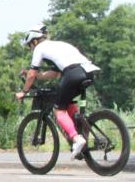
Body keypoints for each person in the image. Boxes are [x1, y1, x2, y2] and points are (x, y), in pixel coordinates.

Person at [15, 27, 100, 160]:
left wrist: (24, 92)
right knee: (68, 105)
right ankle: (82, 132)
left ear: (34, 42)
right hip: (87, 71)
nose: (31, 49)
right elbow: (54, 74)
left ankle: (76, 138)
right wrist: (36, 76)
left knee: (58, 111)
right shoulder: (59, 45)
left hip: (72, 73)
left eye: (30, 46)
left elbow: (31, 74)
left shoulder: (39, 48)